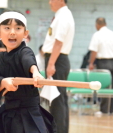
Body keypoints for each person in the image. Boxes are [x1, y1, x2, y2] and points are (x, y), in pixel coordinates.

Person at [0, 11, 56, 133]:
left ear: (25, 34)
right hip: (8, 113)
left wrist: (35, 73)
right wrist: (3, 82)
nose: (12, 32)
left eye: (18, 28)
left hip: (30, 113)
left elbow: (28, 61)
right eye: (7, 28)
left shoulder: (25, 51)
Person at [42, 0, 74, 133]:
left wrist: (51, 64)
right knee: (59, 99)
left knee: (56, 100)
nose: (49, 2)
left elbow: (58, 43)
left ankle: (58, 130)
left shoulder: (63, 16)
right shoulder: (62, 15)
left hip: (56, 60)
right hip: (57, 59)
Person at [88, 17, 113, 114]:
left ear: (97, 24)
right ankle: (111, 109)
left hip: (103, 62)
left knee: (104, 85)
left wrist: (91, 63)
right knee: (112, 86)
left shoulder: (97, 35)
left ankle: (104, 110)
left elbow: (94, 51)